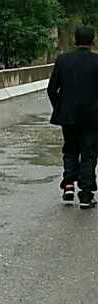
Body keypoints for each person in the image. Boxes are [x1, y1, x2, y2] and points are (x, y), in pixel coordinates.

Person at [47, 25, 98, 207]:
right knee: (89, 153)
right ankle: (85, 194)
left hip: (68, 116)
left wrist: (59, 108)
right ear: (92, 41)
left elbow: (52, 89)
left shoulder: (63, 60)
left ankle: (68, 185)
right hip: (93, 117)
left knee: (70, 149)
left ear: (75, 40)